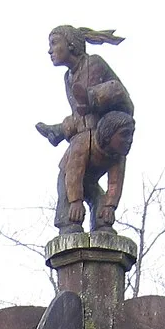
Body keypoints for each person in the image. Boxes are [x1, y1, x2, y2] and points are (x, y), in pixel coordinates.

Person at [34, 26, 136, 232]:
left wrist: (91, 98)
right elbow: (79, 114)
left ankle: (84, 218)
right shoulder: (68, 77)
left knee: (67, 171)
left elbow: (119, 93)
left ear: (71, 45)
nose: (50, 50)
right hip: (83, 136)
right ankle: (91, 219)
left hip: (102, 134)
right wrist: (70, 124)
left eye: (54, 43)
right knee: (80, 181)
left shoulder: (93, 63)